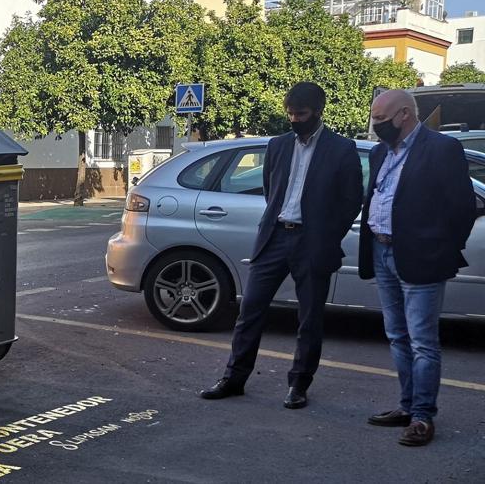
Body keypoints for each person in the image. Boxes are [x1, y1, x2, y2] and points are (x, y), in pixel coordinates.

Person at [201, 82, 362, 408]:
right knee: (250, 312)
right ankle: (234, 379)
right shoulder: (277, 146)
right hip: (274, 237)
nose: (293, 120)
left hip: (313, 243)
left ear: (318, 112)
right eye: (289, 114)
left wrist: (328, 236)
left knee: (309, 318)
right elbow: (270, 190)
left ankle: (299, 385)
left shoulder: (341, 149)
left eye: (300, 114)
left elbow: (351, 200)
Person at [359, 89, 474, 447]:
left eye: (381, 119)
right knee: (397, 336)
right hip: (382, 252)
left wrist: (441, 248)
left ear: (405, 114)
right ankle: (406, 406)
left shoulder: (442, 149)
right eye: (374, 119)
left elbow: (462, 208)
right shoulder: (380, 152)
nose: (376, 126)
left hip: (421, 257)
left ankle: (423, 417)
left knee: (423, 342)